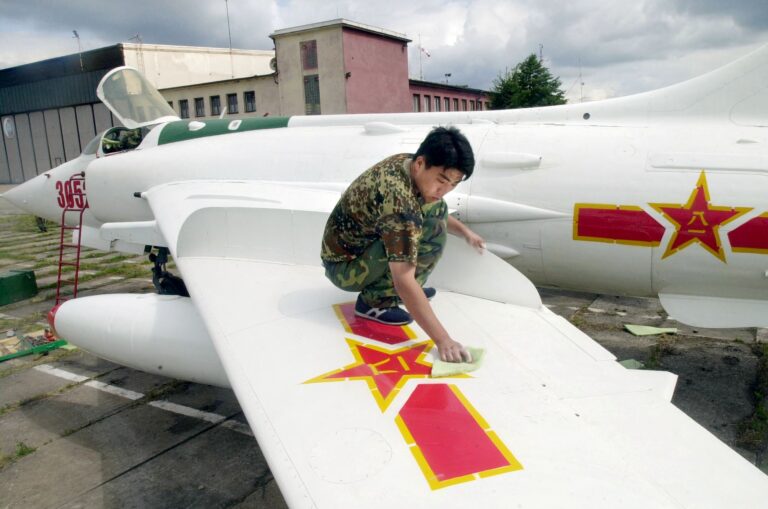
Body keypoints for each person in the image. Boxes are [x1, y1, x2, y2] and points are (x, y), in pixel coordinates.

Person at [321, 126, 485, 363]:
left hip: (359, 247)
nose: (445, 189)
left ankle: (398, 293)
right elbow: (403, 278)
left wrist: (465, 232)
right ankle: (374, 302)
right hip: (344, 267)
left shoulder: (409, 165)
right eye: (442, 180)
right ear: (420, 163)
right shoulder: (400, 202)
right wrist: (443, 340)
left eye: (454, 183)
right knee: (414, 245)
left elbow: (434, 210)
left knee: (436, 209)